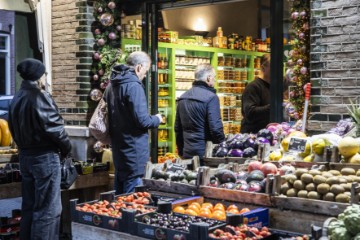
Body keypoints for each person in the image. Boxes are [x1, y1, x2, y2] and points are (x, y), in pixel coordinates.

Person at [9, 58, 72, 240]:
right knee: (48, 210)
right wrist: (67, 149)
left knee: (29, 207)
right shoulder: (39, 96)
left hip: (26, 157)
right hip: (44, 158)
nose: (46, 77)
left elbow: (13, 128)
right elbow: (55, 129)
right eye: (44, 74)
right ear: (38, 76)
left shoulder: (17, 97)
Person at [105, 51, 162, 194]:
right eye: (146, 71)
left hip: (119, 149)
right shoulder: (134, 86)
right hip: (134, 152)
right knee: (132, 200)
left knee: (119, 195)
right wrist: (157, 119)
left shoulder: (112, 85)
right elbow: (142, 120)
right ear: (138, 67)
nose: (144, 75)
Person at [175, 64, 225, 165]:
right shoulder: (211, 98)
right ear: (208, 78)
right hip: (206, 154)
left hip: (187, 153)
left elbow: (178, 128)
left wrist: (181, 151)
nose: (214, 80)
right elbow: (215, 128)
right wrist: (222, 147)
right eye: (214, 77)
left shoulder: (182, 97)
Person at [240, 54, 271, 133]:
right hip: (254, 136)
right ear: (263, 68)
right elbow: (250, 113)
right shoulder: (253, 87)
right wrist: (273, 107)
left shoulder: (274, 87)